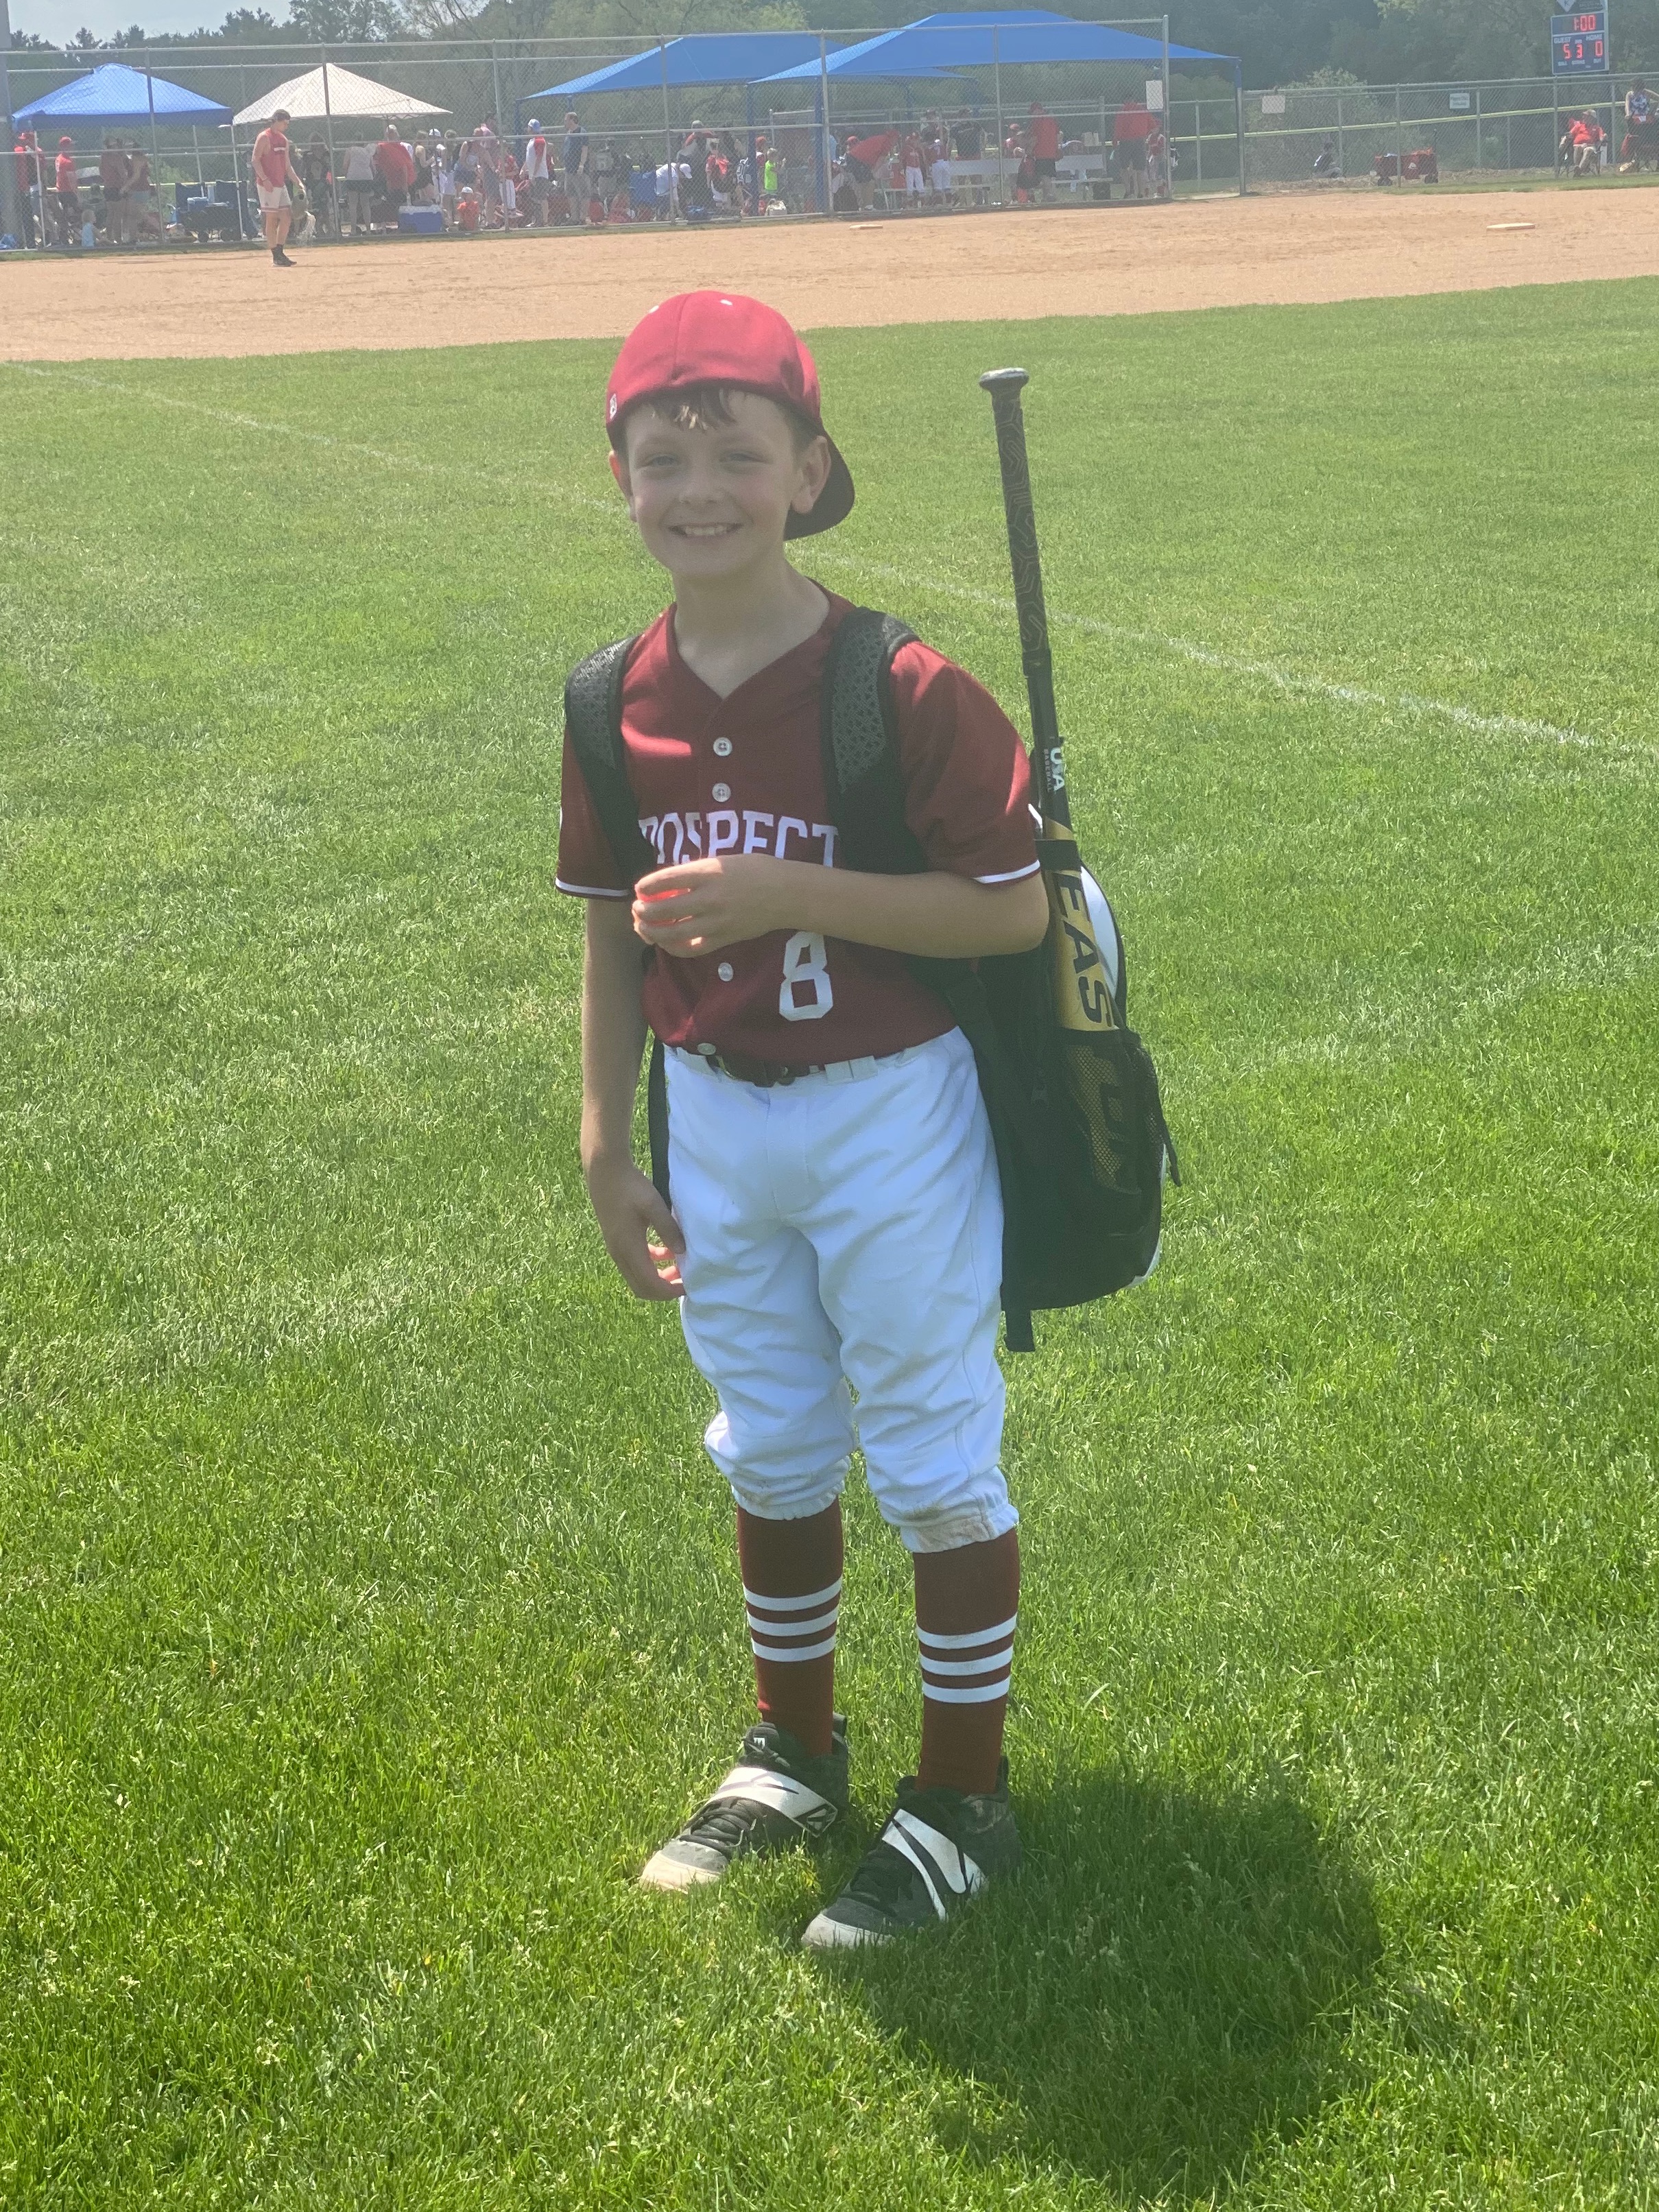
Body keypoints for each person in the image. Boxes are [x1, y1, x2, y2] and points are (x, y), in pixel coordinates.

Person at [559, 291, 1046, 1947]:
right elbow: (610, 930)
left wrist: (790, 892)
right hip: (713, 1110)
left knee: (926, 1440)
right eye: (662, 457)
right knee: (768, 1432)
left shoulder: (891, 681)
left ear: (809, 471)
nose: (699, 489)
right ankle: (795, 1750)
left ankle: (961, 1798)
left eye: (737, 454)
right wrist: (606, 1143)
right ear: (619, 478)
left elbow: (1011, 909)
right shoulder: (608, 697)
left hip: (887, 1105)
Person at [252, 107, 296, 266]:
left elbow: (287, 165)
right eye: (285, 123)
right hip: (267, 185)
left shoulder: (284, 140)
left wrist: (298, 182)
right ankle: (276, 256)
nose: (286, 126)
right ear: (276, 121)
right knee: (271, 218)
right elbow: (255, 160)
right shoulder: (264, 137)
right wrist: (265, 179)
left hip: (280, 183)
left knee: (287, 217)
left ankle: (280, 251)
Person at [372, 121, 415, 211]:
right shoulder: (382, 146)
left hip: (401, 179)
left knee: (402, 204)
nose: (390, 134)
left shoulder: (402, 147)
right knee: (391, 204)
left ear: (396, 133)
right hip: (389, 179)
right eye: (389, 132)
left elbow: (404, 166)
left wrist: (404, 184)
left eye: (392, 132)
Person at [98, 135, 130, 246]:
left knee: (111, 214)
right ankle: (118, 239)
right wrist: (126, 184)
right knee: (118, 215)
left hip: (108, 187)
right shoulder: (116, 158)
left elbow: (101, 172)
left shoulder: (103, 157)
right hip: (117, 187)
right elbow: (123, 174)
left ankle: (109, 238)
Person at [1029, 101, 1061, 202]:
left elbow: (1035, 139)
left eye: (1033, 112)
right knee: (1048, 176)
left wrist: (1029, 150)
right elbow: (1059, 135)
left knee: (1044, 176)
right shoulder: (1051, 120)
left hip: (1041, 153)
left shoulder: (1037, 121)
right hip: (1051, 152)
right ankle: (1047, 197)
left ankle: (1049, 197)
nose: (1032, 114)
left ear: (1038, 110)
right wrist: (1057, 147)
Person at [53, 136, 82, 250]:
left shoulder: (59, 158)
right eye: (70, 146)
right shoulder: (67, 161)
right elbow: (72, 180)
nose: (72, 148)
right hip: (68, 192)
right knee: (76, 215)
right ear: (65, 147)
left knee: (64, 217)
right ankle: (77, 238)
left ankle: (65, 238)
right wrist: (78, 195)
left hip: (61, 191)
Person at [522, 117, 551, 225]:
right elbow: (529, 158)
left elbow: (539, 158)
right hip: (533, 175)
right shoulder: (531, 141)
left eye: (529, 127)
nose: (528, 129)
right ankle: (537, 221)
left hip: (540, 175)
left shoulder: (539, 140)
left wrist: (534, 174)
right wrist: (523, 169)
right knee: (535, 199)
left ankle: (545, 221)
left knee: (542, 198)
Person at [562, 110, 590, 222]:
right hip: (569, 170)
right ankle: (574, 218)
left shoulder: (581, 132)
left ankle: (583, 217)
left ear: (572, 120)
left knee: (583, 193)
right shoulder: (568, 133)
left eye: (566, 120)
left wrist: (581, 165)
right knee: (571, 193)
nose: (565, 122)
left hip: (578, 169)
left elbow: (585, 149)